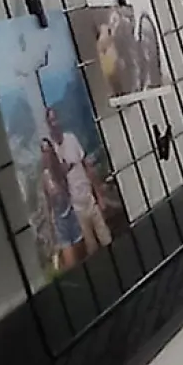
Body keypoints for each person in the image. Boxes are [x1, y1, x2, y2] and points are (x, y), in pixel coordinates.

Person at [45, 107, 114, 253]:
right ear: (48, 125)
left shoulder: (71, 139)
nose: (55, 123)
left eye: (55, 119)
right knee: (91, 247)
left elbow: (87, 166)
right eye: (51, 121)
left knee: (106, 237)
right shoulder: (53, 152)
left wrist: (99, 195)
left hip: (90, 199)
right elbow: (55, 180)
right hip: (76, 208)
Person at [38, 138, 83, 272]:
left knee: (81, 253)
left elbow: (71, 167)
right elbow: (48, 203)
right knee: (70, 260)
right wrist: (51, 228)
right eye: (44, 151)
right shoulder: (45, 177)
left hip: (71, 213)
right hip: (60, 220)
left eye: (48, 150)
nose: (47, 154)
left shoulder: (60, 168)